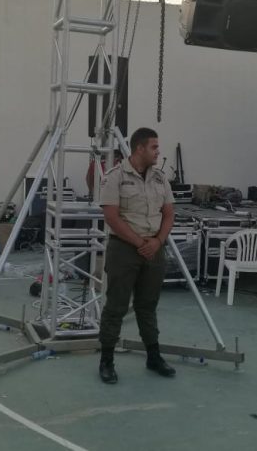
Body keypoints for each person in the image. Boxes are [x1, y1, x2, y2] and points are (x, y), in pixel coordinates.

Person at [98, 127, 175, 384]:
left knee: (148, 306)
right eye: (154, 147)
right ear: (139, 148)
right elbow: (111, 217)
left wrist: (158, 242)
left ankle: (153, 356)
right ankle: (106, 361)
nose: (158, 152)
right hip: (124, 250)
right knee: (116, 307)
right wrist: (141, 243)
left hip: (154, 249)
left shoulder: (160, 178)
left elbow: (169, 214)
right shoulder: (115, 177)